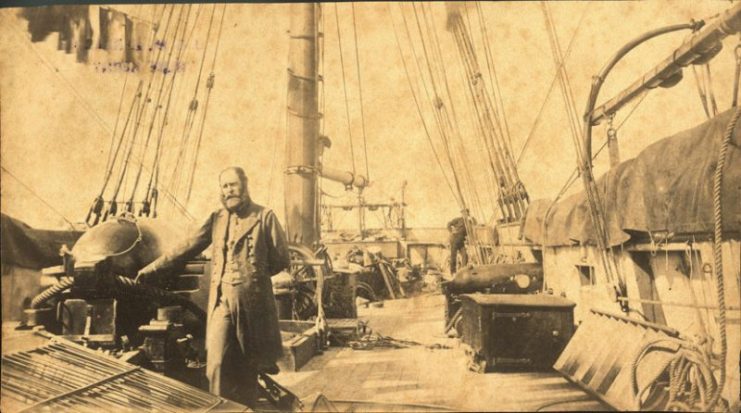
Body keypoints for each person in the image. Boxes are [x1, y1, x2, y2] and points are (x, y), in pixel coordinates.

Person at [136, 166, 289, 406]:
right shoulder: (217, 218)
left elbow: (281, 259)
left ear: (245, 186)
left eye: (234, 185)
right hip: (221, 302)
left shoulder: (264, 216)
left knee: (248, 368)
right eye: (225, 186)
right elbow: (187, 246)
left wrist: (252, 278)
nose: (229, 191)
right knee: (215, 364)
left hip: (253, 305)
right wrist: (152, 269)